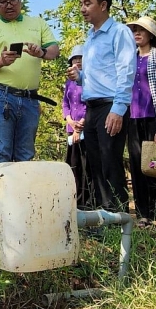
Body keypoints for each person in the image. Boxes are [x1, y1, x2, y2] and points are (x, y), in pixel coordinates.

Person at [0, 0, 60, 164]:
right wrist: (1, 61)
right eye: (2, 1)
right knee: (2, 152)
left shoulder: (37, 23)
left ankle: (23, 195)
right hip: (0, 96)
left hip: (30, 98)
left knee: (25, 154)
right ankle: (2, 194)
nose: (9, 5)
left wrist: (41, 53)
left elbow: (54, 50)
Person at [67, 0, 136, 212]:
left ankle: (118, 216)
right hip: (93, 107)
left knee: (110, 162)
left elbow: (126, 70)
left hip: (110, 106)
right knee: (94, 164)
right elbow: (100, 74)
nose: (83, 9)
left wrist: (118, 108)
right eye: (81, 4)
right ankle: (102, 215)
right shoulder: (91, 37)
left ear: (103, 5)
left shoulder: (119, 32)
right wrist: (80, 76)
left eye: (88, 3)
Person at [125, 16, 156, 226]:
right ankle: (143, 214)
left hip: (154, 117)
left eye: (141, 30)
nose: (136, 33)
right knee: (137, 166)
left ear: (151, 34)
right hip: (132, 117)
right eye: (134, 30)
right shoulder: (130, 58)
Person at [62, 45, 93, 209]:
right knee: (73, 167)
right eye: (75, 59)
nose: (78, 61)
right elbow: (65, 104)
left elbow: (91, 104)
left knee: (86, 167)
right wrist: (69, 121)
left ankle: (86, 203)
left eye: (80, 58)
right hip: (71, 129)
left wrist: (79, 127)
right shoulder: (69, 82)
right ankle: (73, 202)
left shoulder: (89, 80)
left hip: (85, 129)